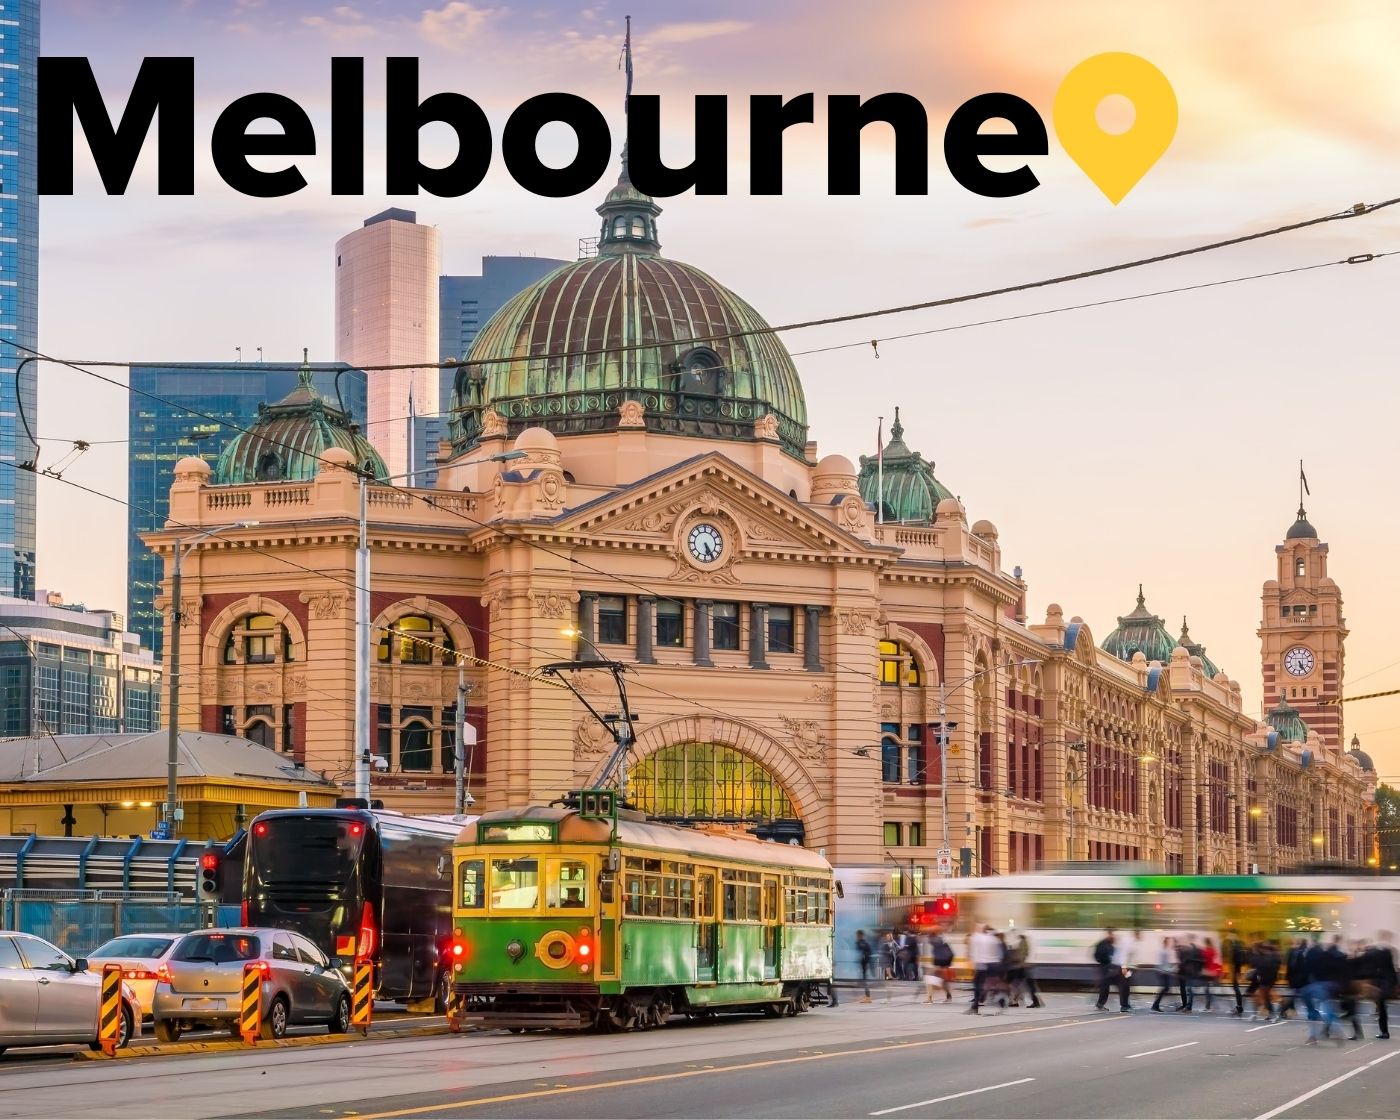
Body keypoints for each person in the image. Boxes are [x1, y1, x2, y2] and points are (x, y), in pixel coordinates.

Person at [1359, 931, 1397, 1039]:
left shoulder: (1386, 951)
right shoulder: (1384, 950)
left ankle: (1385, 1032)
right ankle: (1384, 1032)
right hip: (1384, 982)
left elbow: (1377, 954)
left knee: (1381, 1003)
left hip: (1387, 982)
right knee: (1381, 1006)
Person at [1094, 928, 1129, 1013]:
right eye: (1112, 934)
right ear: (1109, 934)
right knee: (1113, 985)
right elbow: (1098, 955)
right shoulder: (1103, 944)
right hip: (1108, 968)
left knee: (1107, 986)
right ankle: (1124, 1006)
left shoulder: (1111, 944)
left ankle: (1101, 1004)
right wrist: (1104, 963)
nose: (1114, 936)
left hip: (1113, 968)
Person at [968, 924, 1001, 1014]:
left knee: (978, 984)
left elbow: (976, 952)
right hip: (994, 965)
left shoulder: (979, 938)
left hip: (983, 964)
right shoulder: (994, 939)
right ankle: (999, 1000)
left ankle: (975, 1005)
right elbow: (999, 954)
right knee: (990, 984)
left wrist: (974, 963)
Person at [1008, 931, 1043, 1008]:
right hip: (1022, 966)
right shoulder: (1024, 942)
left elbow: (1022, 955)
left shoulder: (1022, 943)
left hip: (1022, 967)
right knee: (1022, 985)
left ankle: (1035, 1001)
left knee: (1021, 984)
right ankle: (1017, 1000)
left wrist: (1016, 960)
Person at [1251, 939, 1281, 1022]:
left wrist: (1260, 975)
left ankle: (1275, 1014)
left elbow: (1262, 967)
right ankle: (1272, 1014)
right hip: (1267, 979)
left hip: (1267, 979)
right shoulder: (1271, 956)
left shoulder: (1269, 957)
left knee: (1267, 997)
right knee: (1266, 997)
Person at [1151, 937, 1177, 1013]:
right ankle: (1155, 1005)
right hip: (1161, 972)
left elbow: (1166, 964)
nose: (1169, 943)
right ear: (1165, 942)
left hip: (1164, 971)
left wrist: (1171, 969)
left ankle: (1155, 1005)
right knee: (1165, 988)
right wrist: (1171, 970)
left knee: (1166, 988)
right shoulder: (1162, 951)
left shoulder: (1166, 951)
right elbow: (1161, 964)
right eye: (1168, 942)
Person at [930, 929, 955, 1002]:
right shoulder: (941, 943)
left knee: (936, 980)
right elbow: (951, 954)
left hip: (942, 965)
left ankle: (930, 997)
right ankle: (948, 996)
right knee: (943, 981)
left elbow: (939, 955)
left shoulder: (938, 944)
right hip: (943, 964)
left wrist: (938, 965)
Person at [855, 929, 875, 1003]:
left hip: (864, 964)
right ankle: (866, 997)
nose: (856, 936)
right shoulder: (864, 943)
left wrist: (864, 960)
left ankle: (867, 997)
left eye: (857, 935)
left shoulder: (862, 943)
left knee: (864, 981)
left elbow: (865, 953)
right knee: (863, 981)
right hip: (864, 964)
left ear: (860, 935)